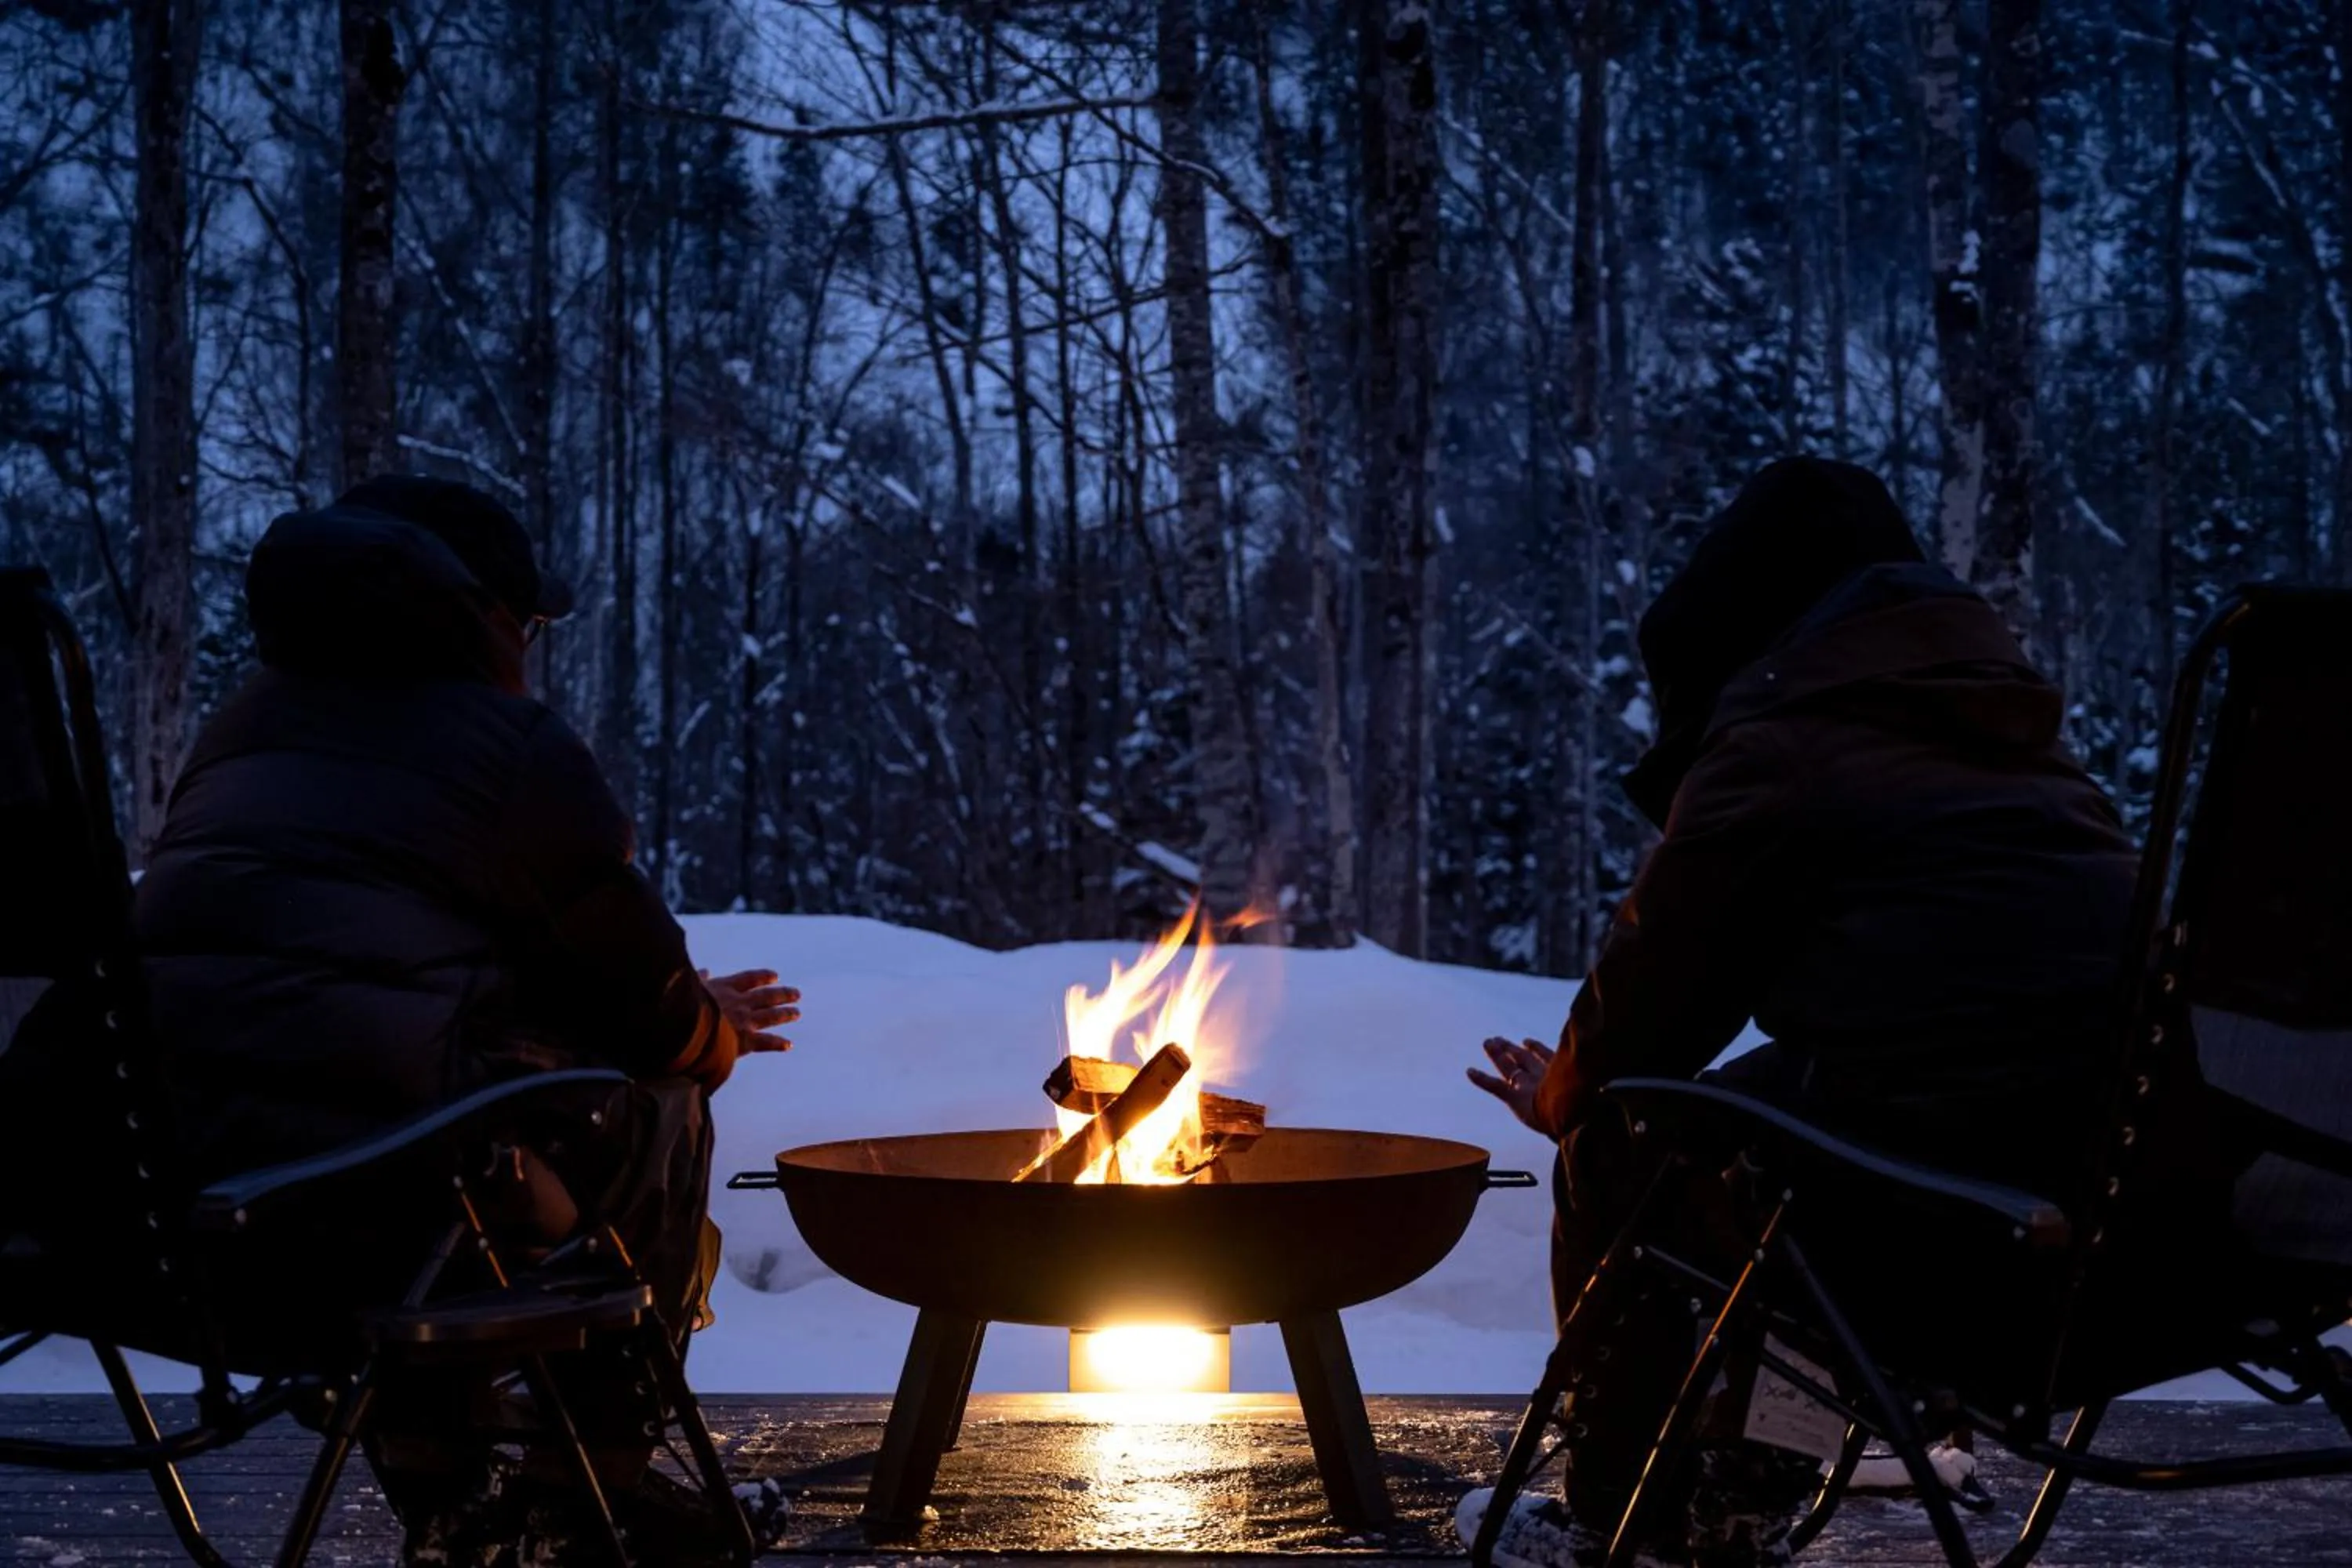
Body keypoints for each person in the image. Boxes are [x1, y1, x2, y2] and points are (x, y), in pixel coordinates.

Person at [1457, 458, 2140, 1568]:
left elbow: (1642, 1028)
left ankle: (1615, 1524)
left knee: (1629, 1134)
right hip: (2132, 1232)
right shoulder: (2035, 756)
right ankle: (1737, 1487)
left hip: (1938, 1244)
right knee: (1797, 1128)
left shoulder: (1778, 746)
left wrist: (1565, 1094)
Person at [135, 474, 800, 1565]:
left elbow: (357, 974)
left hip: (188, 1231)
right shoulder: (508, 748)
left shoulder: (237, 738)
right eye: (528, 621)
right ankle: (585, 1495)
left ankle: (442, 1492)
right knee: (663, 1106)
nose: (533, 646)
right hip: (388, 1222)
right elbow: (651, 1012)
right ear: (480, 614)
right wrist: (710, 1033)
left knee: (435, 1130)